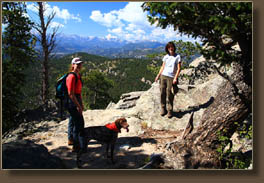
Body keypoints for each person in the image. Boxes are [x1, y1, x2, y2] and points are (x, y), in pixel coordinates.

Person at [155, 42, 181, 118]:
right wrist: (158, 75)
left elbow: (179, 68)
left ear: (174, 47)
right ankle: (163, 108)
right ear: (167, 48)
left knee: (170, 93)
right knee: (162, 92)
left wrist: (175, 78)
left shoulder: (177, 56)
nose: (170, 48)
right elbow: (162, 67)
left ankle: (170, 110)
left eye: (171, 47)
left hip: (171, 77)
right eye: (169, 47)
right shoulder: (166, 57)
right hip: (163, 76)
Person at [66, 57, 86, 153]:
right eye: (77, 64)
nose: (79, 66)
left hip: (75, 99)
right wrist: (78, 106)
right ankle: (76, 146)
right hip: (72, 101)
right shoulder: (72, 76)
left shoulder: (78, 75)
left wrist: (81, 103)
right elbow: (71, 93)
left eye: (80, 64)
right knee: (79, 124)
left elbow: (79, 92)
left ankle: (71, 139)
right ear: (73, 65)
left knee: (72, 121)